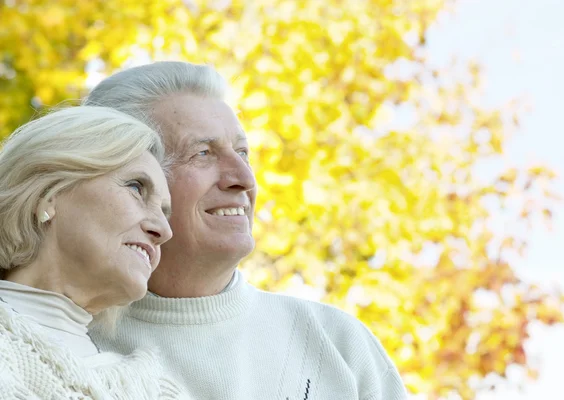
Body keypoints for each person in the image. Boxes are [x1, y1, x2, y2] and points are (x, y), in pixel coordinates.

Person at [86, 61, 408, 399]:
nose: (243, 178)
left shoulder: (339, 345)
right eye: (203, 153)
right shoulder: (61, 347)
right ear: (132, 184)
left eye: (242, 152)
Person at [0, 106, 192, 399]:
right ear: (49, 195)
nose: (164, 231)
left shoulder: (158, 389)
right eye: (136, 188)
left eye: (164, 213)